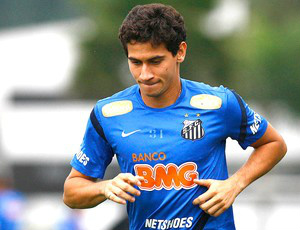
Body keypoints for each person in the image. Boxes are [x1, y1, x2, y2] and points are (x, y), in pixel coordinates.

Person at [63, 3, 287, 230]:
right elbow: (72, 192)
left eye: (155, 61)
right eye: (135, 62)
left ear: (180, 52)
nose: (145, 74)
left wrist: (235, 184)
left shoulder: (220, 104)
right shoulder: (107, 114)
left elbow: (274, 144)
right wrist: (105, 187)